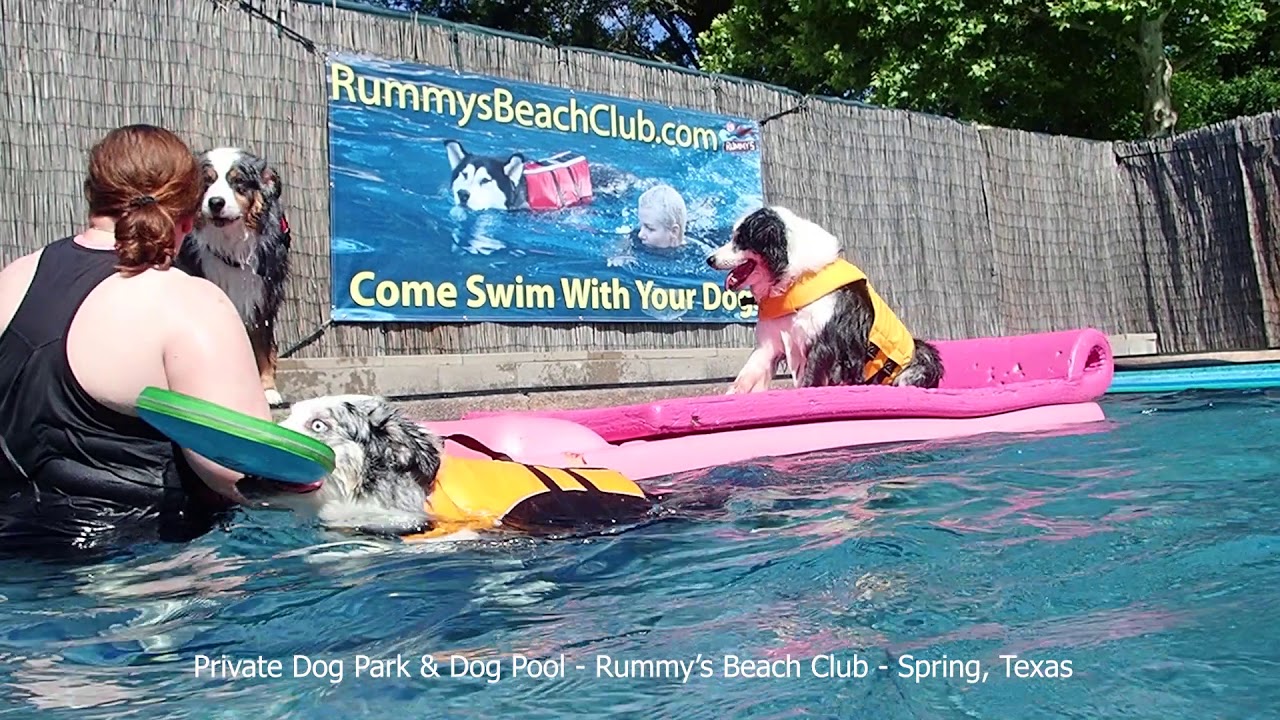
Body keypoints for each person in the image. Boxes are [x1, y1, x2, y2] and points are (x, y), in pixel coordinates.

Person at [0, 124, 274, 550]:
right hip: (145, 577)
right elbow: (246, 474)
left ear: (92, 193)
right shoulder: (191, 303)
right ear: (189, 214)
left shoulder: (12, 277)